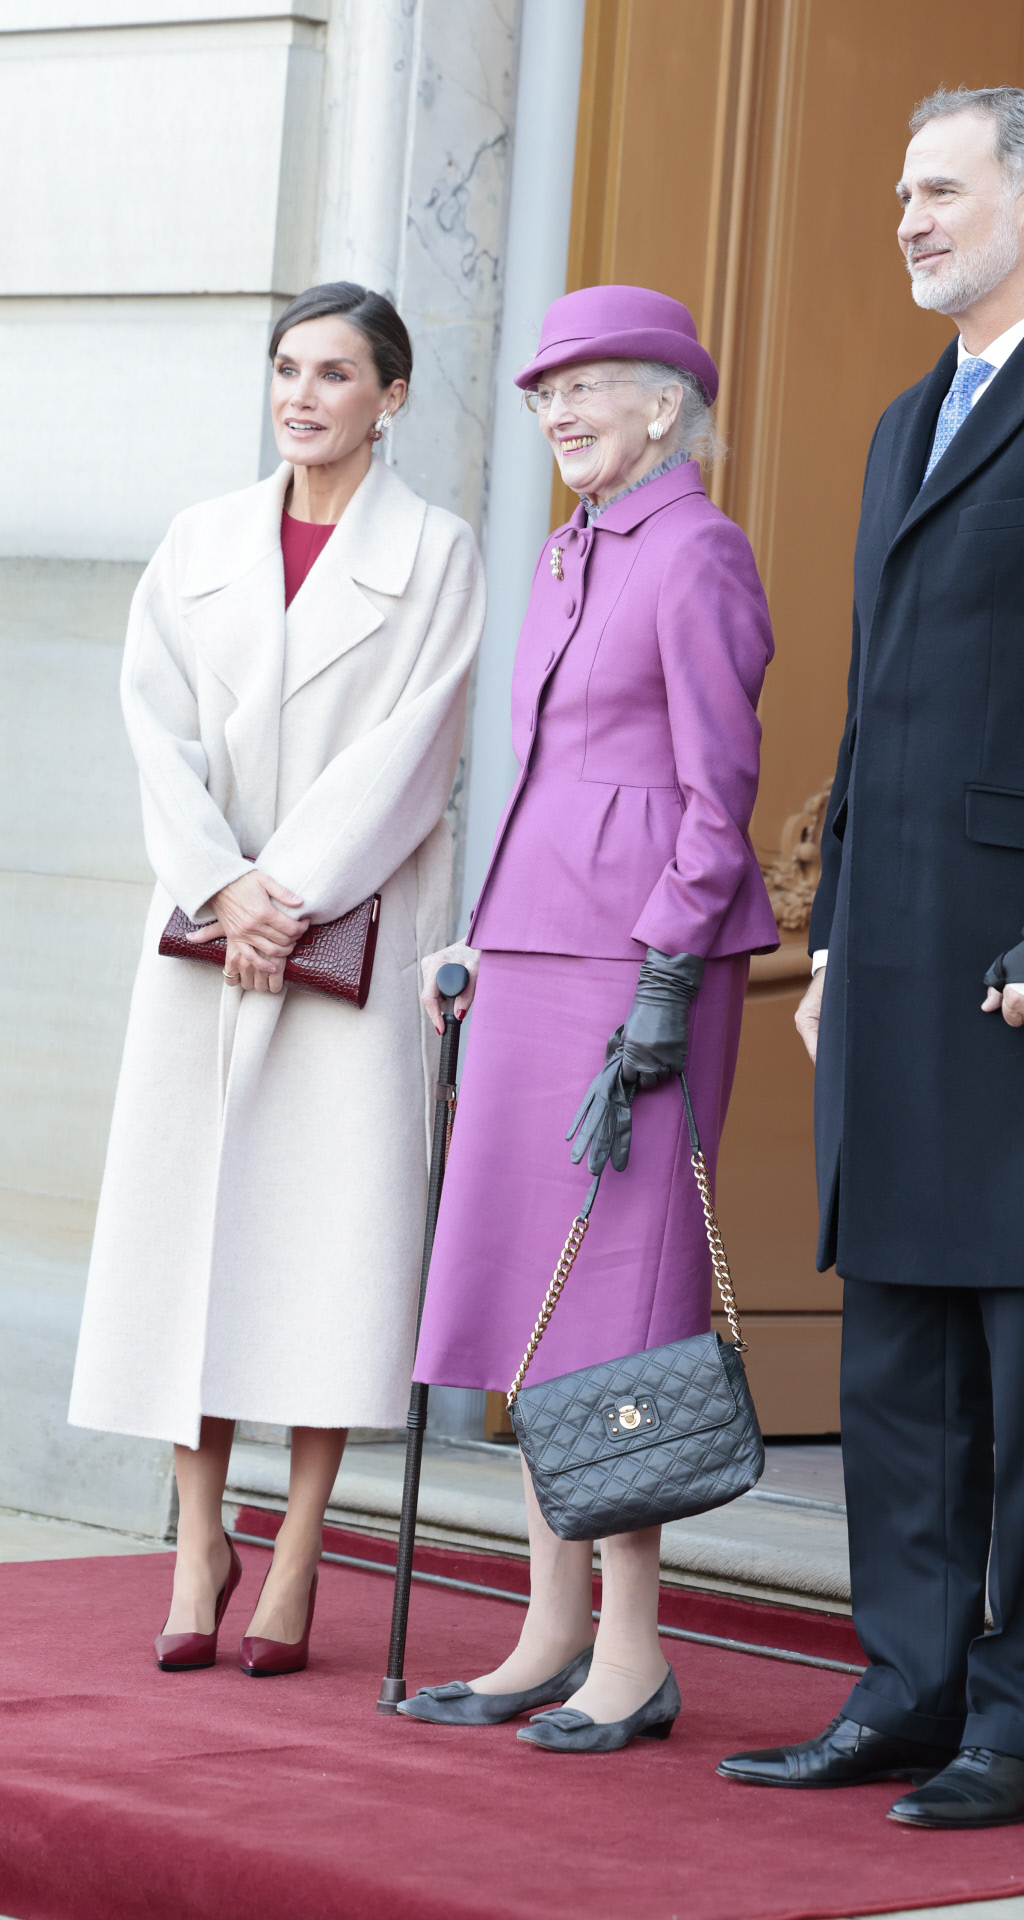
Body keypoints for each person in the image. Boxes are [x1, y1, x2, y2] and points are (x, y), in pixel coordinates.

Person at [719, 88, 1024, 1824]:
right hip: (901, 965)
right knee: (898, 1363)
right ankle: (909, 1689)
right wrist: (837, 942)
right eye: (898, 191)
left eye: (940, 189)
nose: (910, 217)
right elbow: (876, 714)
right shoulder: (902, 421)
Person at [68, 282, 485, 1677]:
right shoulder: (196, 545)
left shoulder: (437, 554)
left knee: (324, 1247)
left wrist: (287, 895)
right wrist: (225, 887)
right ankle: (199, 1543)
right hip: (207, 940)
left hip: (351, 938)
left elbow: (414, 752)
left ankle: (300, 1548)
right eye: (288, 369)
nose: (304, 395)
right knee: (191, 1240)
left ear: (394, 396)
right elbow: (154, 728)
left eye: (336, 374)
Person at [403, 285, 778, 1753]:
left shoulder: (697, 553)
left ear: (665, 406)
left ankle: (633, 1652)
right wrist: (485, 943)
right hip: (533, 962)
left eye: (588, 389)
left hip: (638, 974)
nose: (559, 413)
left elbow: (716, 793)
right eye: (544, 392)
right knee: (531, 1299)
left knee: (622, 1314)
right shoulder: (569, 550)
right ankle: (546, 1629)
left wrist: (669, 975)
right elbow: (556, 782)